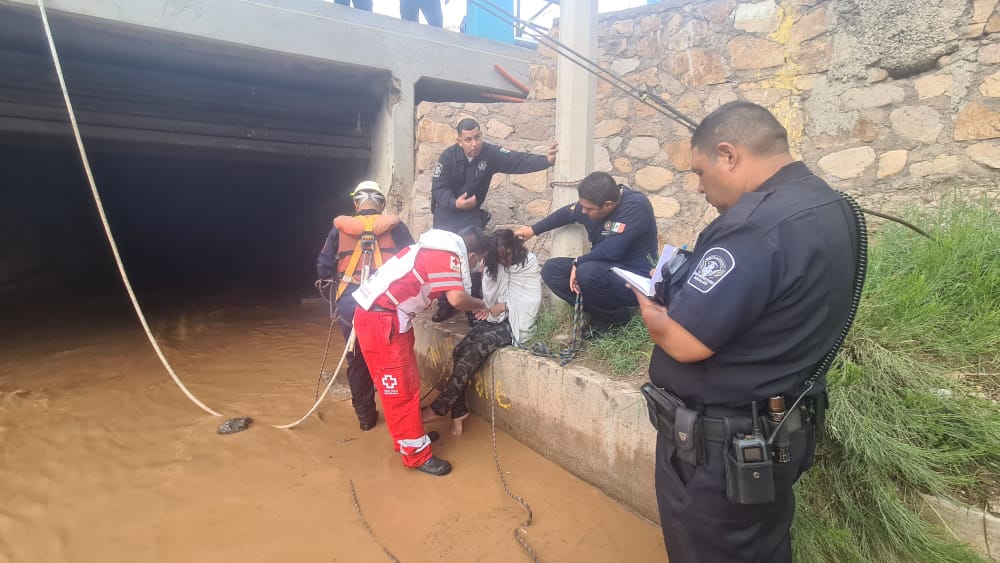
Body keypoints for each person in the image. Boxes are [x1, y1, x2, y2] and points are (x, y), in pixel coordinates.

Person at [632, 101, 860, 562]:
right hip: (778, 431)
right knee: (762, 547)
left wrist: (652, 311)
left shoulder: (751, 226)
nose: (699, 188)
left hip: (720, 453)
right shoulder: (833, 205)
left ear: (729, 154)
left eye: (700, 171)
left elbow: (684, 341)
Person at [351, 226, 490, 476]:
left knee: (407, 384)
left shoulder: (432, 249)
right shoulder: (445, 255)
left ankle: (410, 437)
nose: (476, 267)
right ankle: (416, 455)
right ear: (472, 256)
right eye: (478, 262)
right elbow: (457, 299)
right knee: (399, 389)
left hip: (388, 319)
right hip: (382, 322)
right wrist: (483, 305)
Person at [430, 117, 557, 323]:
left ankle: (473, 307)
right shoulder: (447, 157)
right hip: (447, 212)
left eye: (477, 137)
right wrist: (455, 203)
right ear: (458, 141)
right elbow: (438, 189)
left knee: (477, 258)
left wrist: (546, 161)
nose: (474, 143)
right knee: (448, 259)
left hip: (470, 213)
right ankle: (446, 305)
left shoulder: (489, 154)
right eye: (468, 139)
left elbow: (516, 160)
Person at [421, 229, 541, 436]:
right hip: (493, 318)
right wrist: (491, 308)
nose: (506, 260)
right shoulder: (491, 266)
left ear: (515, 247)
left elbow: (531, 299)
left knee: (473, 350)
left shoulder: (528, 261)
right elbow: (488, 298)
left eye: (508, 254)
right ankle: (458, 411)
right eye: (500, 256)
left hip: (514, 323)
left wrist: (504, 306)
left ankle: (440, 407)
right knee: (459, 351)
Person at [316, 181, 414, 431]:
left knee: (357, 359)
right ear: (381, 204)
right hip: (387, 304)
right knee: (394, 359)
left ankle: (366, 419)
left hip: (352, 305)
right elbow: (414, 259)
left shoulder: (339, 230)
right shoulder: (396, 227)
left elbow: (324, 265)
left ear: (356, 204)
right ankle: (402, 421)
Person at [514, 171, 658, 335]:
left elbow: (611, 250)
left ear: (608, 204)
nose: (583, 212)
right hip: (603, 269)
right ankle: (603, 314)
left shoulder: (635, 206)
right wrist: (533, 230)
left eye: (589, 209)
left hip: (634, 278)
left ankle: (617, 319)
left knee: (586, 271)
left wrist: (578, 262)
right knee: (552, 270)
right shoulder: (593, 204)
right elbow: (566, 213)